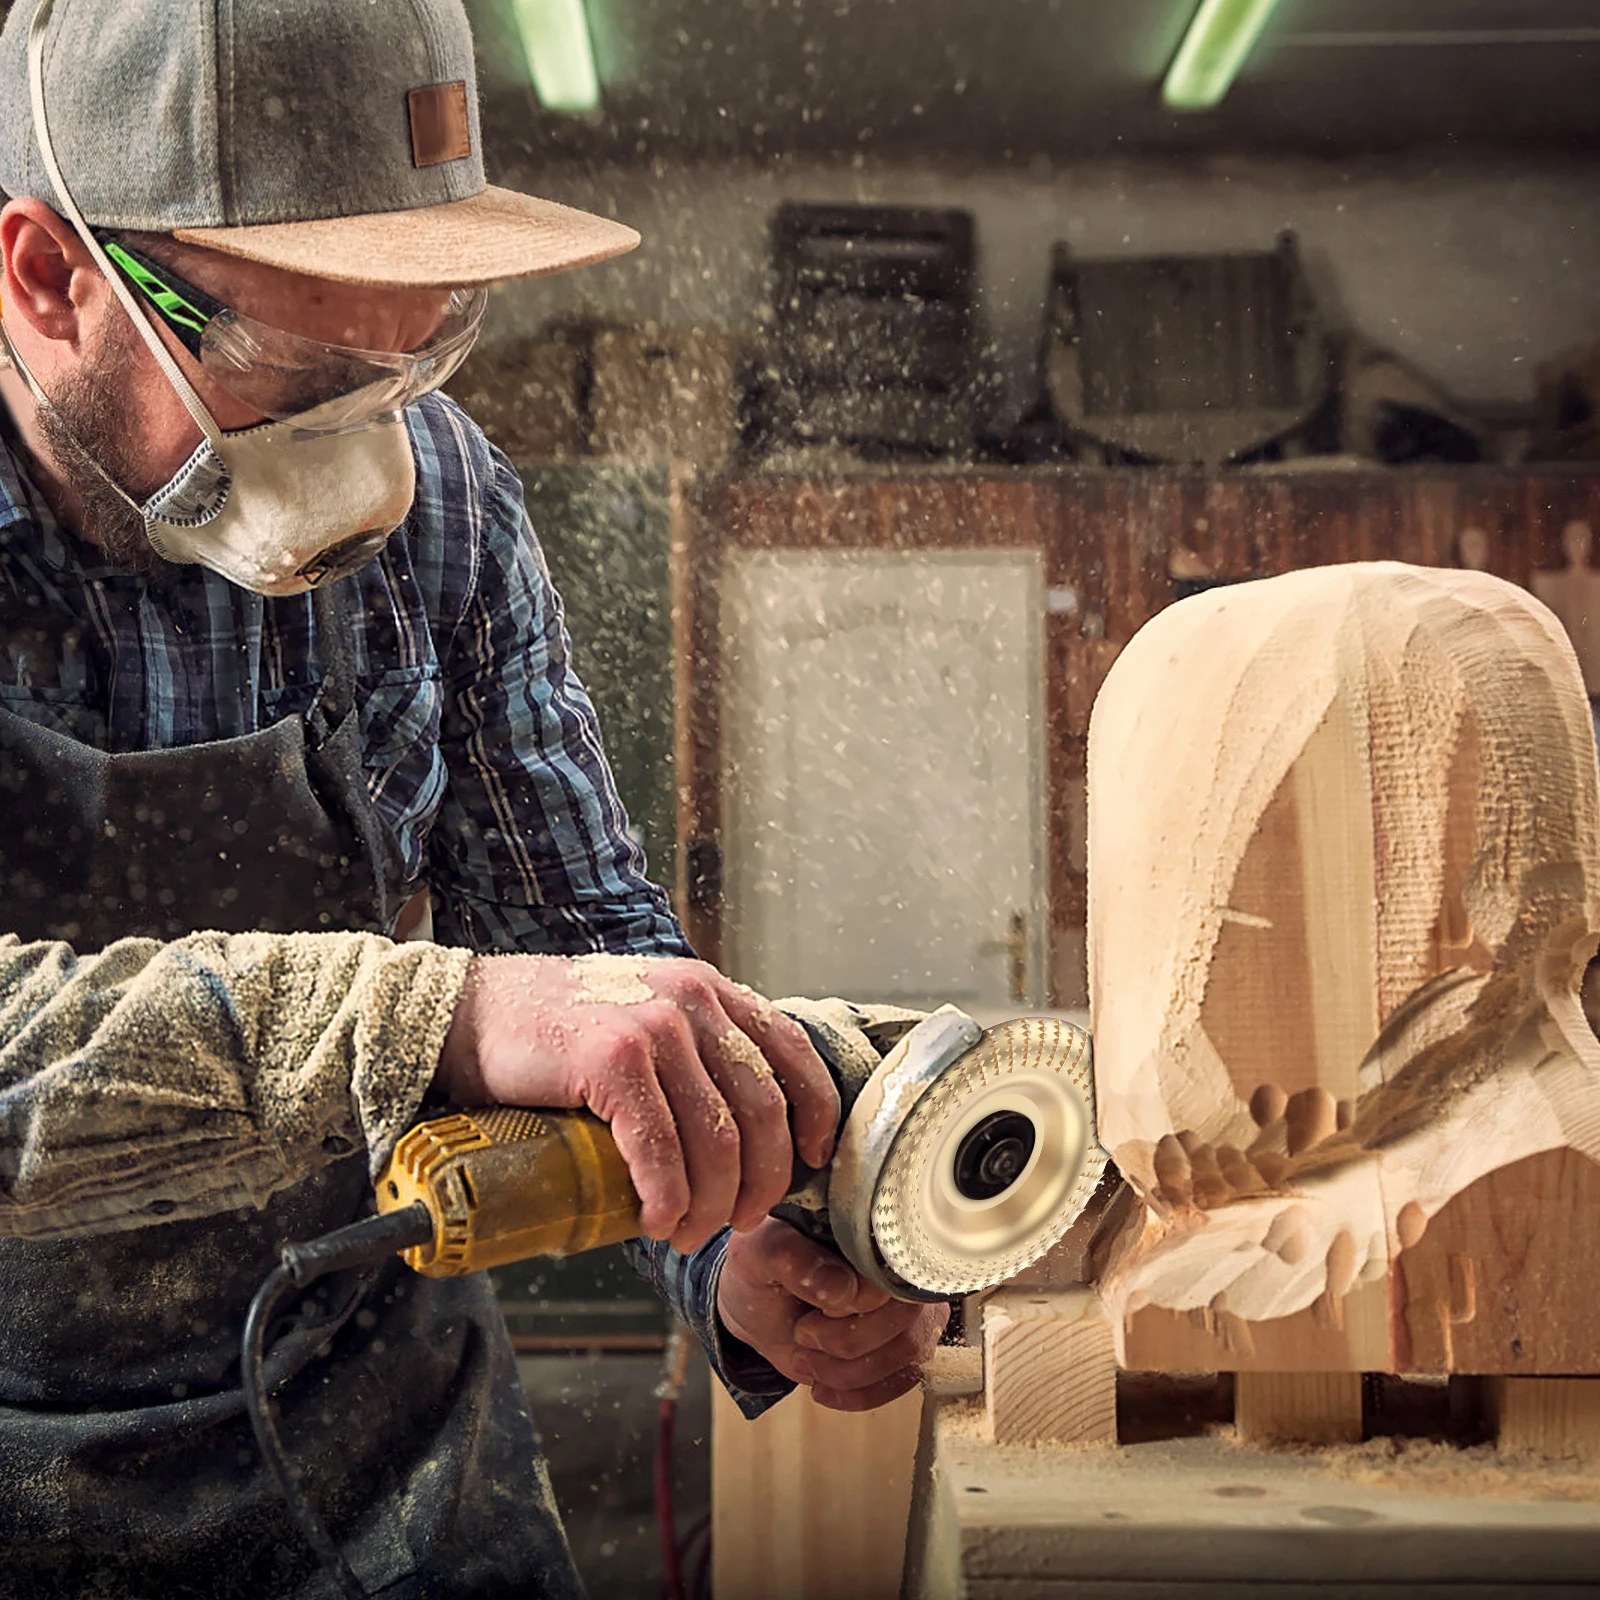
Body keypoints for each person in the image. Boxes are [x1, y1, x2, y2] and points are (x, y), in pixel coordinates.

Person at [0, 0, 947, 1594]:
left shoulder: (444, 514)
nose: (364, 451)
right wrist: (425, 1020)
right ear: (47, 275)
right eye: (301, 372)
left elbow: (581, 941)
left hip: (380, 1421)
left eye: (416, 354)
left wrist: (727, 1234)